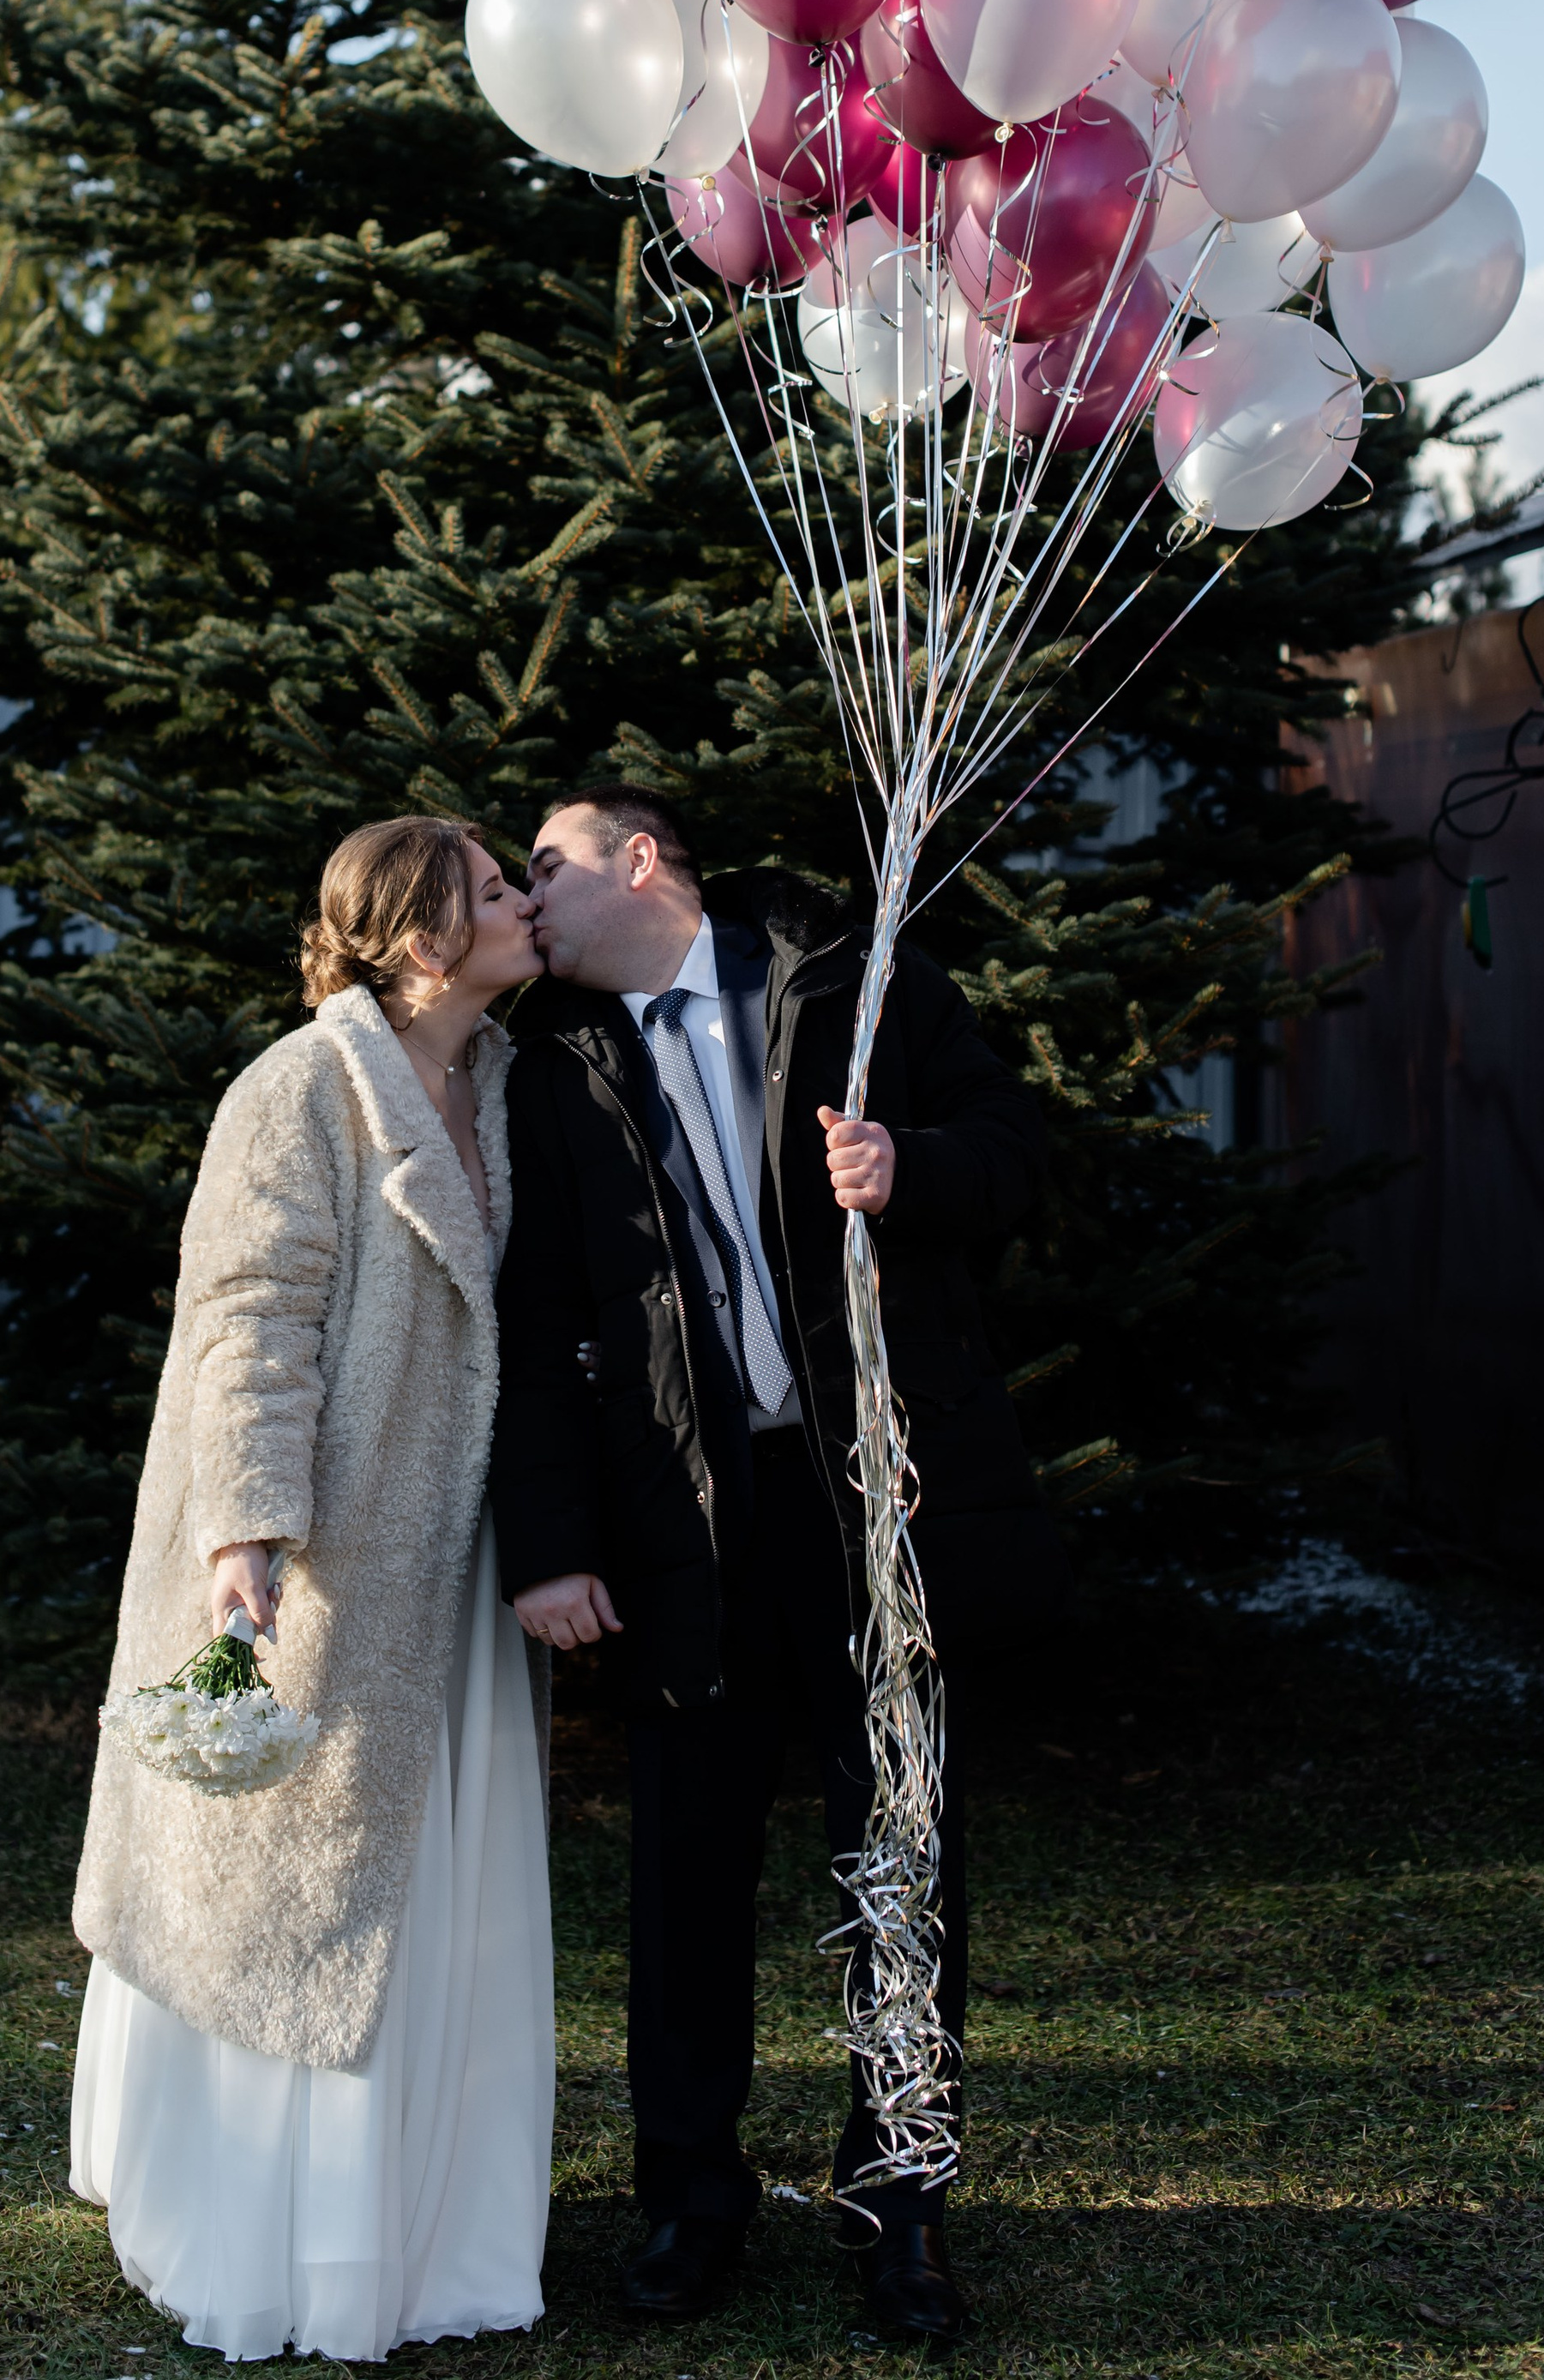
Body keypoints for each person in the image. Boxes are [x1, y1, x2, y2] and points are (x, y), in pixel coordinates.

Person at [489, 787, 1057, 2342]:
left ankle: (903, 2208)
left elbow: (1015, 1151)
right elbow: (538, 1328)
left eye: (546, 867)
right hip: (684, 1521)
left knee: (904, 1857)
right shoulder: (552, 1063)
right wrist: (551, 1545)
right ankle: (690, 2203)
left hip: (876, 1502)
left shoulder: (858, 982)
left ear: (640, 861)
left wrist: (907, 1165)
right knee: (685, 1870)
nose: (527, 900)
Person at [69, 815, 554, 2365]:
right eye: (496, 890)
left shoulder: (511, 1083)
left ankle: (433, 2218)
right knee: (287, 1884)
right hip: (320, 1552)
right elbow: (248, 1315)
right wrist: (249, 1529)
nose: (527, 904)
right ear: (420, 939)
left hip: (452, 1557)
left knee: (431, 1867)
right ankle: (276, 2225)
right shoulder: (297, 1090)